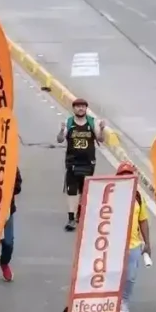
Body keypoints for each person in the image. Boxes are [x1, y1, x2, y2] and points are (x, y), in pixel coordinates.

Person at [111, 162, 151, 312]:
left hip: (133, 244)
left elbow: (143, 220)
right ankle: (113, 309)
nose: (126, 178)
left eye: (129, 175)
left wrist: (147, 243)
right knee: (115, 276)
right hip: (114, 244)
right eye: (123, 175)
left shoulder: (138, 197)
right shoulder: (111, 195)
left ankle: (124, 302)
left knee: (130, 277)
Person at [57, 98, 106, 232]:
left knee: (85, 191)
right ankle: (71, 218)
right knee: (72, 191)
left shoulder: (92, 122)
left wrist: (101, 129)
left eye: (83, 107)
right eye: (78, 106)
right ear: (74, 109)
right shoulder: (69, 122)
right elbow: (60, 139)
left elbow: (101, 139)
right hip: (72, 162)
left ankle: (81, 212)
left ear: (86, 109)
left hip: (88, 163)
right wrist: (62, 131)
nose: (80, 109)